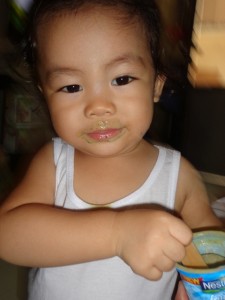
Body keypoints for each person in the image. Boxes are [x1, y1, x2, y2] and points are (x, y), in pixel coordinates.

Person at [0, 0, 222, 299]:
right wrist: (117, 234)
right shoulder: (55, 164)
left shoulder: (178, 176)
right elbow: (8, 235)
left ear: (156, 86)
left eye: (121, 79)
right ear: (45, 93)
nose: (98, 107)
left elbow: (211, 250)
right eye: (71, 87)